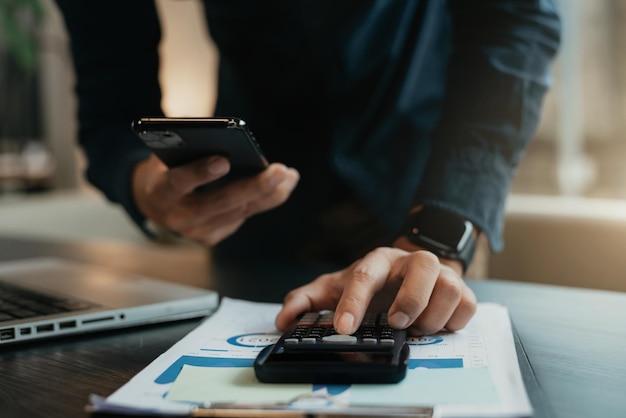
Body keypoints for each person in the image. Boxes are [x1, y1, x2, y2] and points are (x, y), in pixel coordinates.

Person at [54, 1, 561, 337]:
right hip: (251, 229)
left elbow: (515, 24)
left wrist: (442, 231)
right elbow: (111, 94)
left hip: (427, 199)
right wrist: (144, 185)